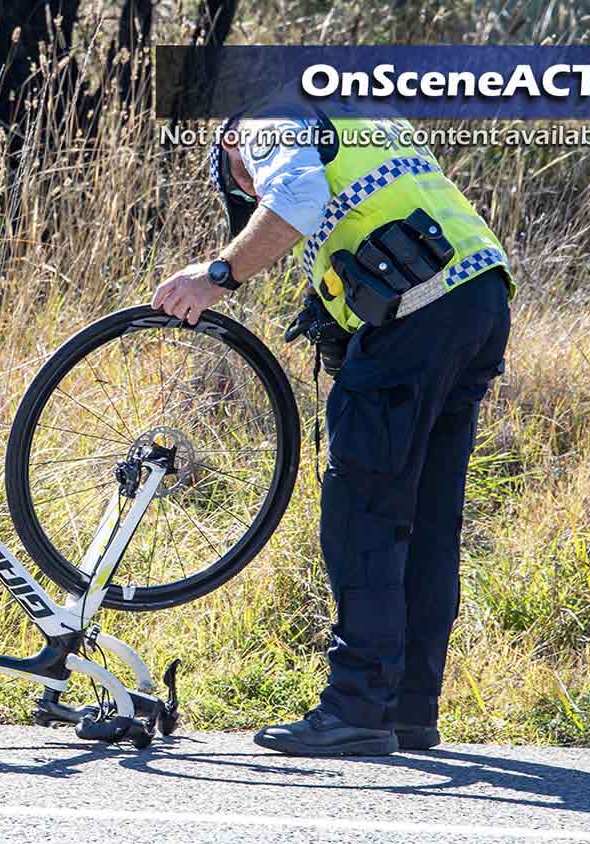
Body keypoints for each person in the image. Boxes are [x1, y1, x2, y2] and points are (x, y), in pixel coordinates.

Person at [152, 106, 514, 756]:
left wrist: (216, 275)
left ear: (231, 147)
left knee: (363, 511)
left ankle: (357, 708)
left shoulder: (266, 124)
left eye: (244, 183)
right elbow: (361, 217)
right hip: (480, 299)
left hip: (419, 316)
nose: (252, 190)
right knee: (429, 519)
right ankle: (408, 710)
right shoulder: (365, 126)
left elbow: (294, 197)